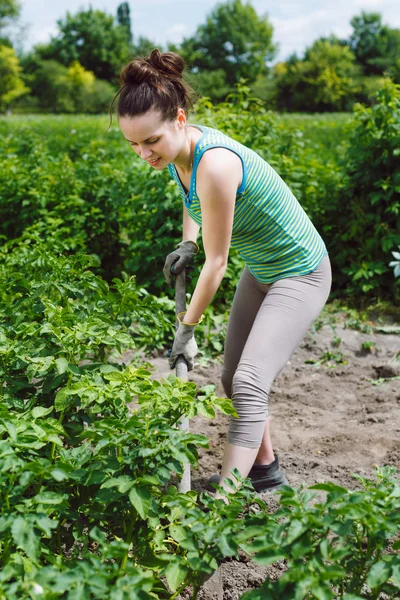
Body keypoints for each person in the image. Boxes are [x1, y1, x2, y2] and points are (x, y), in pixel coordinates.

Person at [110, 49, 332, 499]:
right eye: (133, 144)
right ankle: (265, 473)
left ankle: (224, 503)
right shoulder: (179, 152)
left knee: (250, 382)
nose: (142, 154)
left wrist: (187, 329)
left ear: (178, 118)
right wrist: (188, 240)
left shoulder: (216, 163)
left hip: (301, 273)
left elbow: (217, 264)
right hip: (264, 270)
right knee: (232, 379)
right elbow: (193, 201)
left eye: (149, 141)